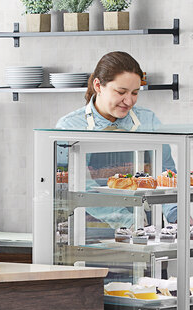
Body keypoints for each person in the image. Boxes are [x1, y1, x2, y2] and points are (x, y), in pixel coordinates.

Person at [56, 51, 177, 232]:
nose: (129, 101)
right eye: (121, 92)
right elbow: (77, 184)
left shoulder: (148, 121)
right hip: (89, 231)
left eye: (135, 93)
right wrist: (128, 220)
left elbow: (166, 175)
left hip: (147, 229)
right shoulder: (70, 126)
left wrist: (177, 216)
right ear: (98, 85)